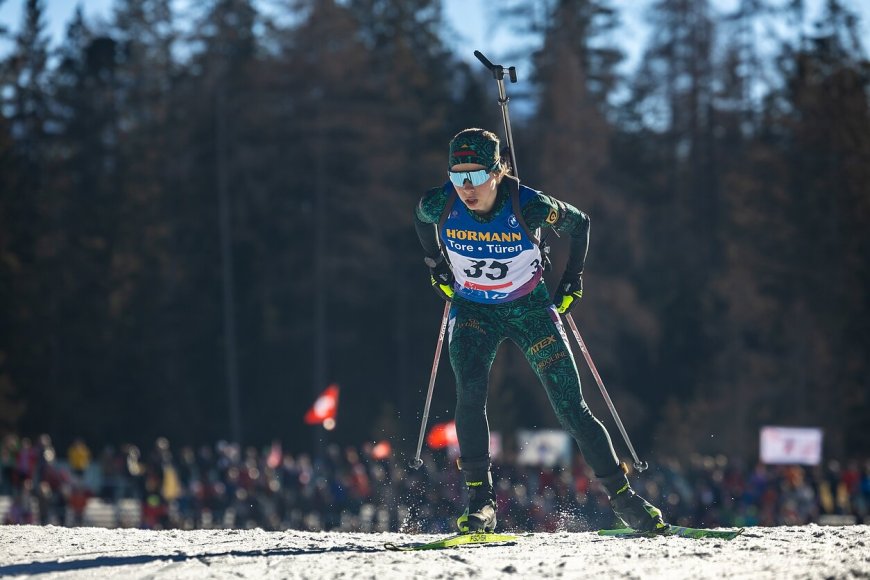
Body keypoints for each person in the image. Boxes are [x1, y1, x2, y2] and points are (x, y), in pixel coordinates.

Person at [413, 128, 666, 534]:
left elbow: (580, 224)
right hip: (474, 309)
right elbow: (421, 218)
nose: (466, 188)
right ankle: (481, 502)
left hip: (529, 310)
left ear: (497, 173)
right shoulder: (440, 202)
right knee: (470, 392)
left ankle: (625, 500)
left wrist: (572, 280)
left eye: (475, 176)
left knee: (571, 406)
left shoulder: (528, 205)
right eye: (457, 176)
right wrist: (435, 265)